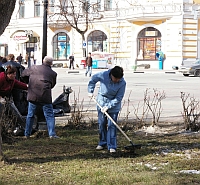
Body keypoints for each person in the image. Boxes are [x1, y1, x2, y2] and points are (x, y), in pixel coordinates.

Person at [87, 66, 126, 153]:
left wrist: (109, 106)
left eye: (118, 79)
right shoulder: (103, 75)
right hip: (101, 102)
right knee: (102, 124)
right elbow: (93, 79)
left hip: (114, 105)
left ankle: (112, 145)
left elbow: (119, 97)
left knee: (112, 125)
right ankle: (102, 142)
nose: (117, 80)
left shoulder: (122, 83)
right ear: (111, 75)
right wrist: (90, 91)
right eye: (115, 78)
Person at [21, 56, 59, 139]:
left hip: (33, 95)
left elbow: (23, 74)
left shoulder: (33, 68)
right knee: (49, 115)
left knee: (30, 115)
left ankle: (27, 134)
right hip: (45, 96)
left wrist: (29, 82)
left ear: (43, 61)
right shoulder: (53, 73)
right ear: (51, 63)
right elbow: (52, 84)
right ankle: (52, 134)